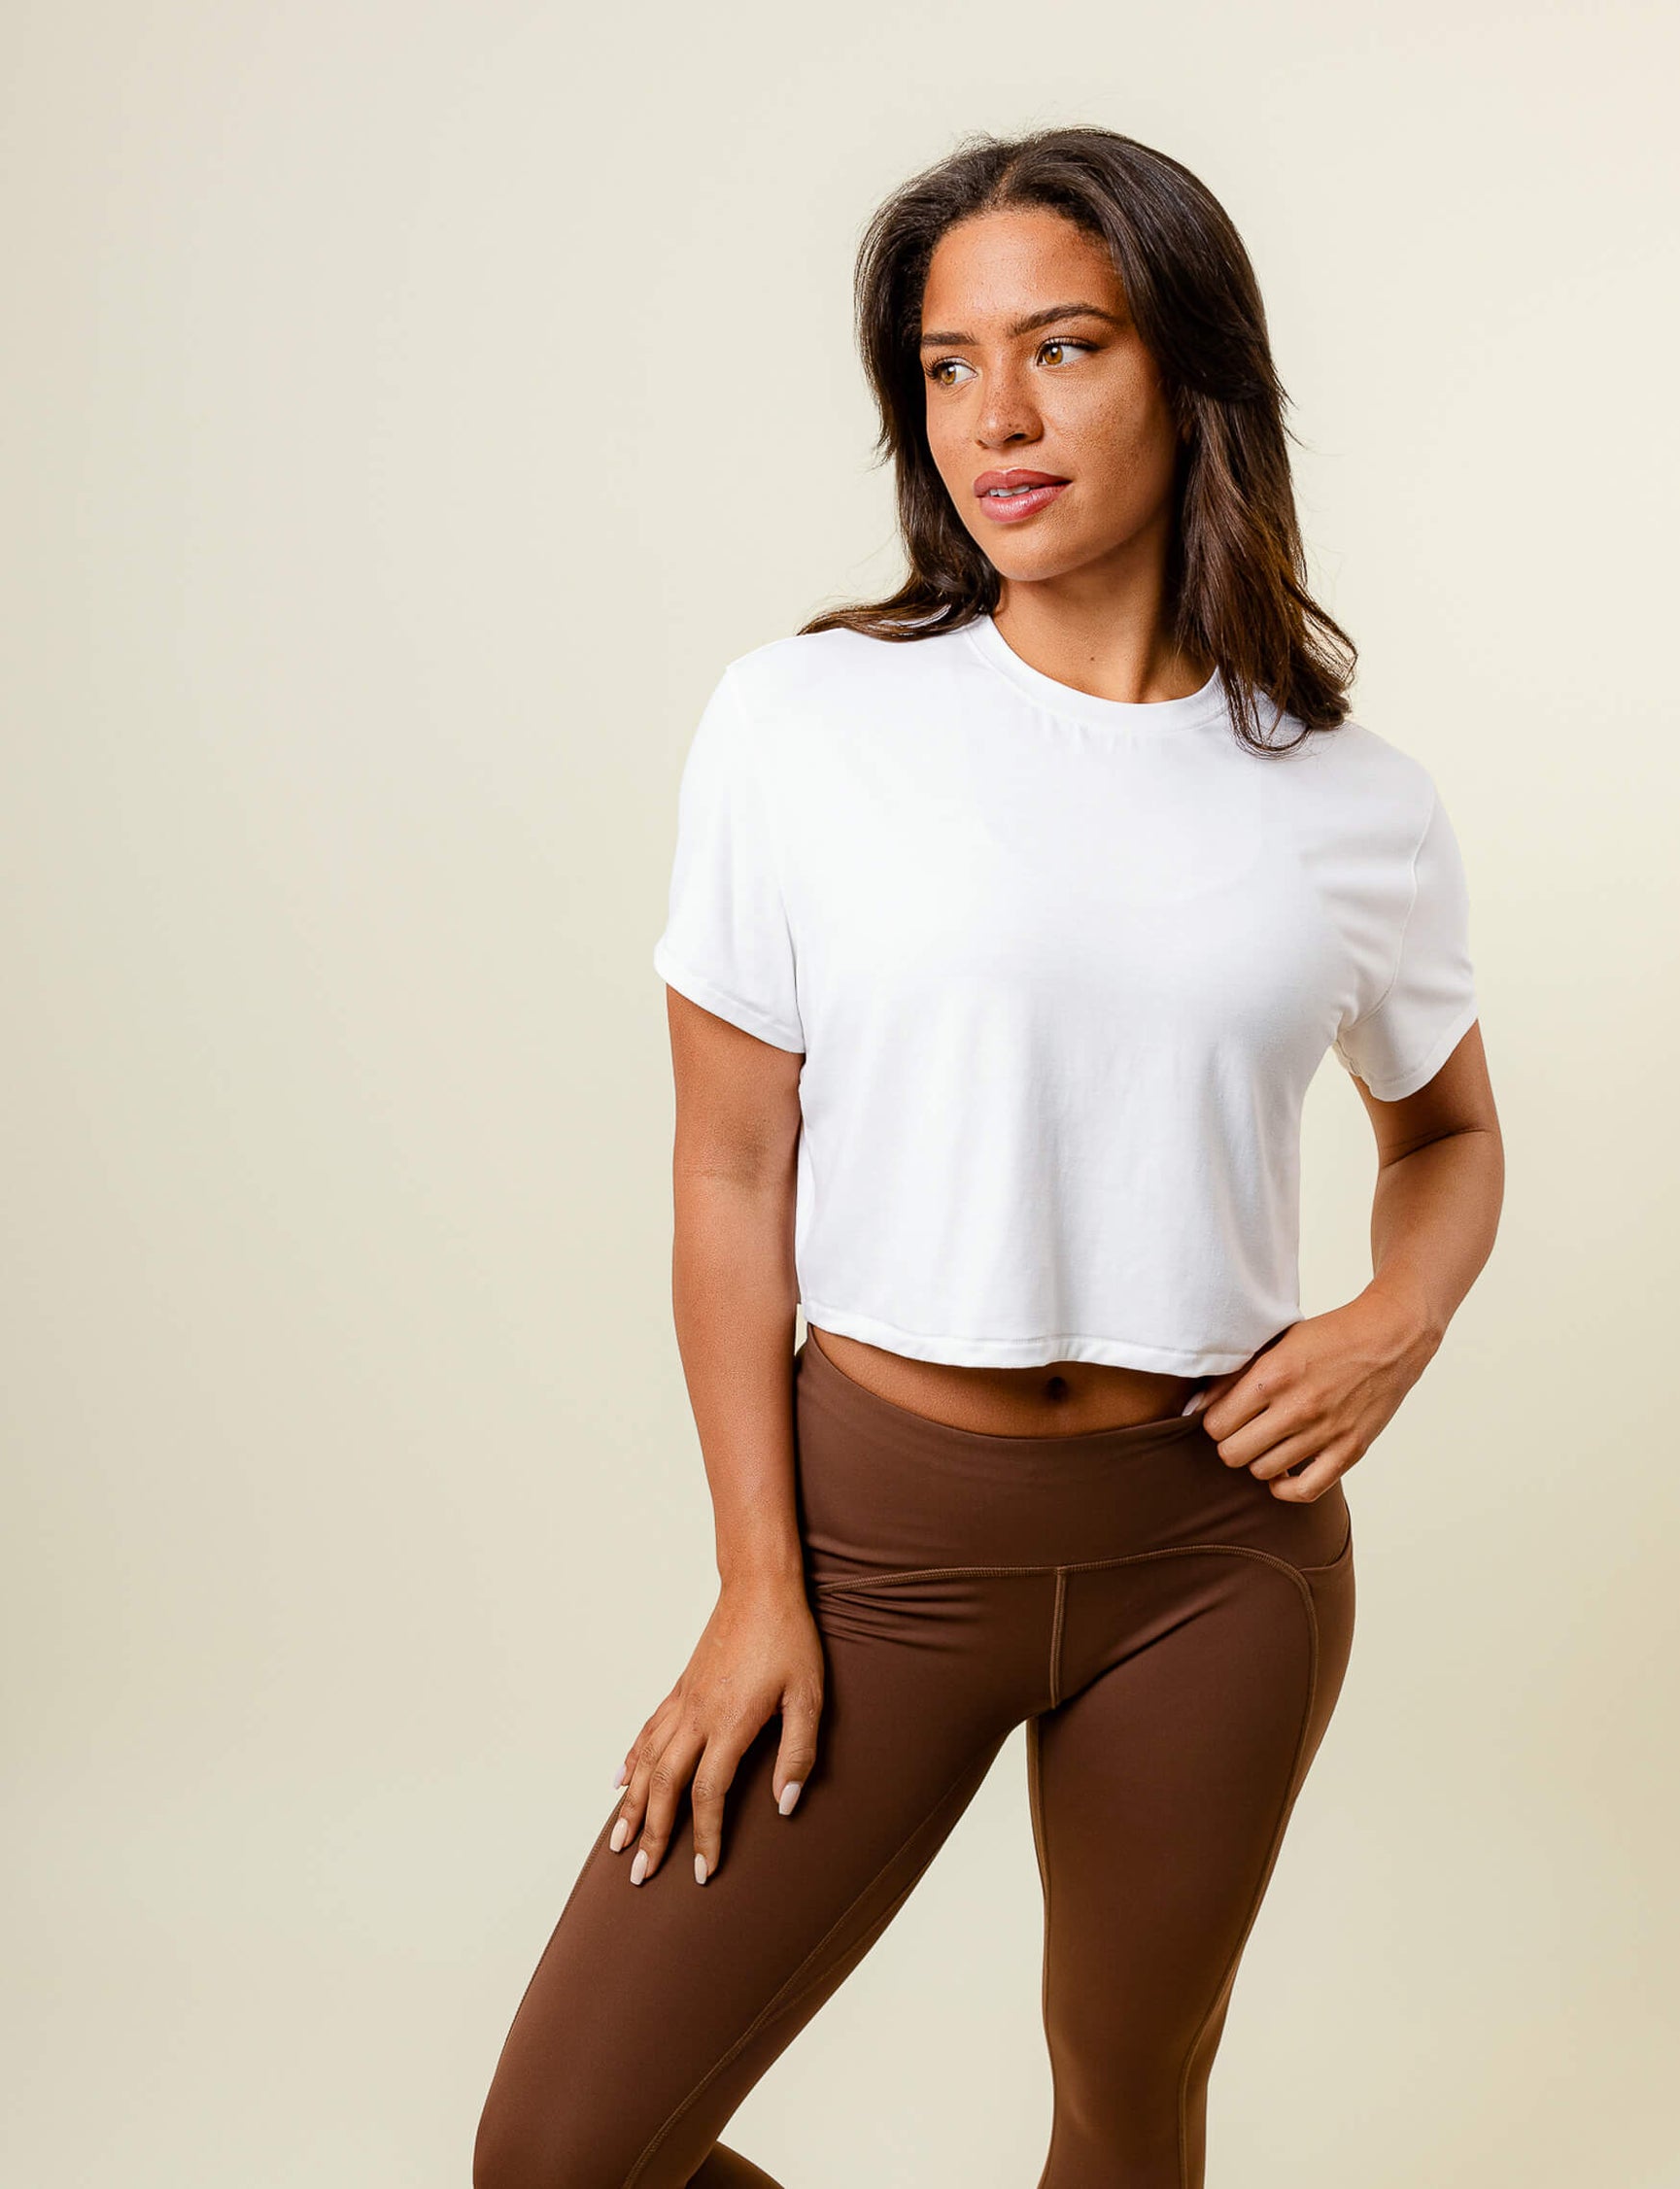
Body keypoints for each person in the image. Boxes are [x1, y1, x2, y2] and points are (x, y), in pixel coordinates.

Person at [473, 122, 1503, 2189]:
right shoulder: (805, 723)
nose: (994, 418)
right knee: (562, 2158)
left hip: (1213, 1553)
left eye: (1061, 347)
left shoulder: (1352, 803)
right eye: (947, 365)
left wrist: (1399, 1312)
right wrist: (757, 1582)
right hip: (872, 1539)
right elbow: (729, 1173)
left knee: (1128, 2116)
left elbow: (1451, 1131)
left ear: (1191, 369)